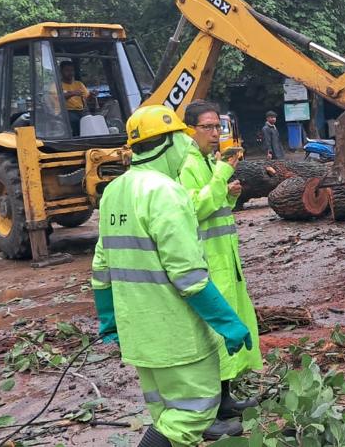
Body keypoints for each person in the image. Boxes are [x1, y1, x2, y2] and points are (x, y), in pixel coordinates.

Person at [91, 105, 252, 446]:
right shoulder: (166, 192)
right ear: (168, 143)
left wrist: (109, 319)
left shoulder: (114, 192)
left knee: (164, 412)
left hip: (139, 334)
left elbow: (101, 267)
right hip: (175, 334)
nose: (188, 146)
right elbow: (188, 275)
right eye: (183, 138)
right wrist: (228, 323)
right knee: (192, 413)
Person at [178, 100, 263, 424]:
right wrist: (223, 175)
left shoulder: (204, 160)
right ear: (191, 129)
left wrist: (229, 193)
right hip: (206, 264)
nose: (215, 134)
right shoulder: (187, 164)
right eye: (208, 127)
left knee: (226, 330)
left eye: (219, 127)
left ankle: (225, 400)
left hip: (225, 260)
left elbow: (212, 203)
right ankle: (207, 413)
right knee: (210, 337)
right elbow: (194, 208)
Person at [60, 61, 94, 136]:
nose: (70, 73)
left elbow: (87, 98)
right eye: (67, 70)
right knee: (74, 120)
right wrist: (73, 93)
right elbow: (58, 98)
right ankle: (77, 138)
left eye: (72, 70)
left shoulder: (79, 84)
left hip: (81, 110)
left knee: (91, 120)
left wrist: (91, 95)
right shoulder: (57, 85)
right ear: (61, 72)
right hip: (67, 111)